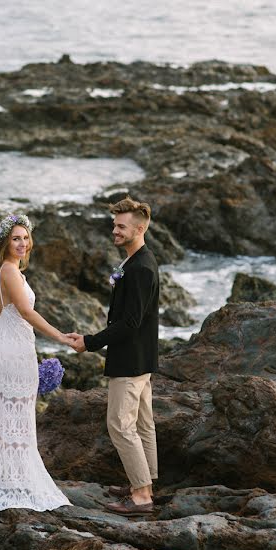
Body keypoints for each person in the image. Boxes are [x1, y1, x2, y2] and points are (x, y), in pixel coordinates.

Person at [0, 213, 72, 516]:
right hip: (10, 354)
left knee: (11, 418)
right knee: (13, 417)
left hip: (10, 348)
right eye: (15, 238)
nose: (22, 243)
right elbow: (25, 311)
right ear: (5, 244)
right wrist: (59, 335)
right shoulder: (7, 271)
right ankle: (11, 482)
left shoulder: (11, 273)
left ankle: (7, 479)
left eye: (25, 237)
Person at [69, 197, 159, 516]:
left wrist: (90, 342)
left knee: (120, 425)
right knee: (142, 424)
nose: (115, 231)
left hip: (131, 361)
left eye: (121, 226)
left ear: (140, 227)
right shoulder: (137, 262)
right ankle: (145, 482)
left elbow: (130, 323)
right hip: (142, 359)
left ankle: (141, 496)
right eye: (114, 225)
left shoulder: (141, 269)